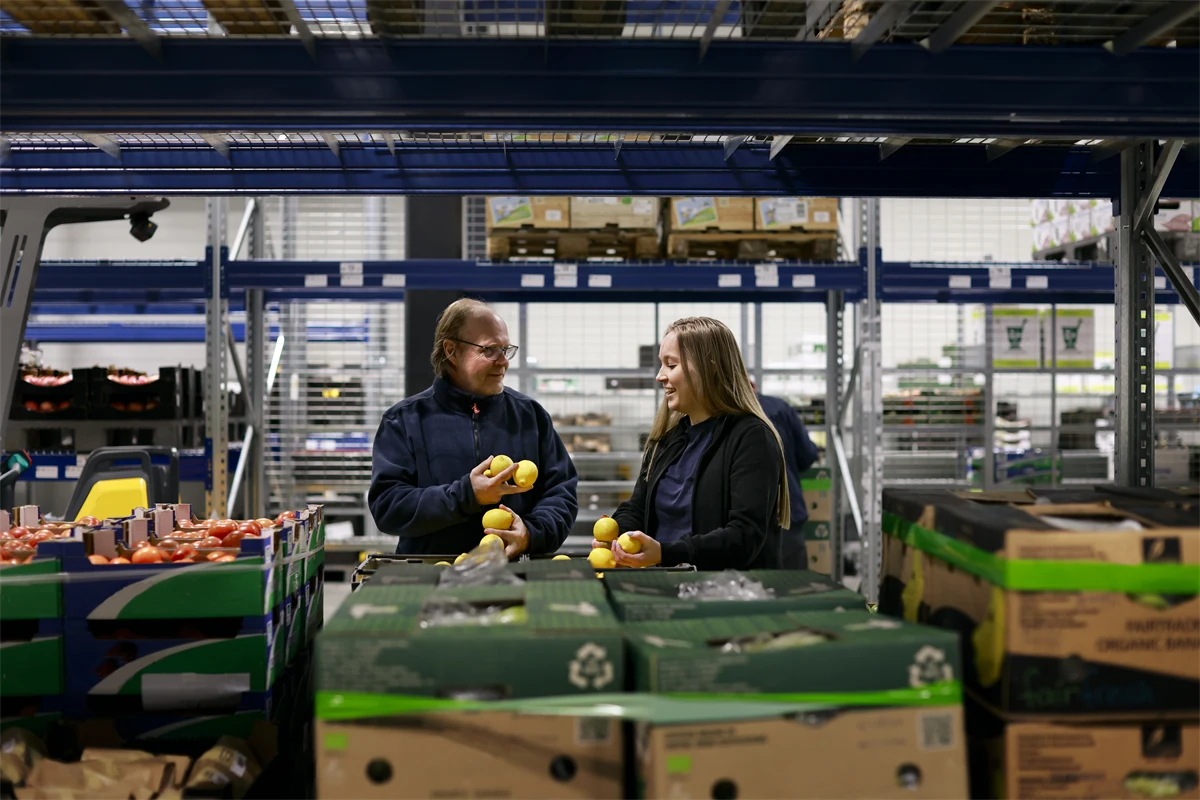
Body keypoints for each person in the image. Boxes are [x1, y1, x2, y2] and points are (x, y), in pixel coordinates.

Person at [368, 298, 578, 557]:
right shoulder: (404, 420)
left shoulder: (529, 416)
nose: (503, 361)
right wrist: (466, 495)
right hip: (433, 578)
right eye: (489, 350)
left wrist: (532, 533)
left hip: (515, 576)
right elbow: (388, 507)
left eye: (506, 349)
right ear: (451, 351)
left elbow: (561, 492)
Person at [595, 317, 789, 570]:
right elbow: (638, 507)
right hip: (666, 587)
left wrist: (667, 552)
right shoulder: (668, 440)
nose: (659, 376)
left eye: (671, 365)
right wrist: (619, 534)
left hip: (724, 595)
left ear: (709, 368)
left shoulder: (751, 438)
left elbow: (744, 537)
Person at [753, 384, 820, 569]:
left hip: (742, 526)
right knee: (792, 587)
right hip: (785, 514)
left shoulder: (722, 412)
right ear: (753, 386)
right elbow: (807, 455)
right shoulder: (780, 408)